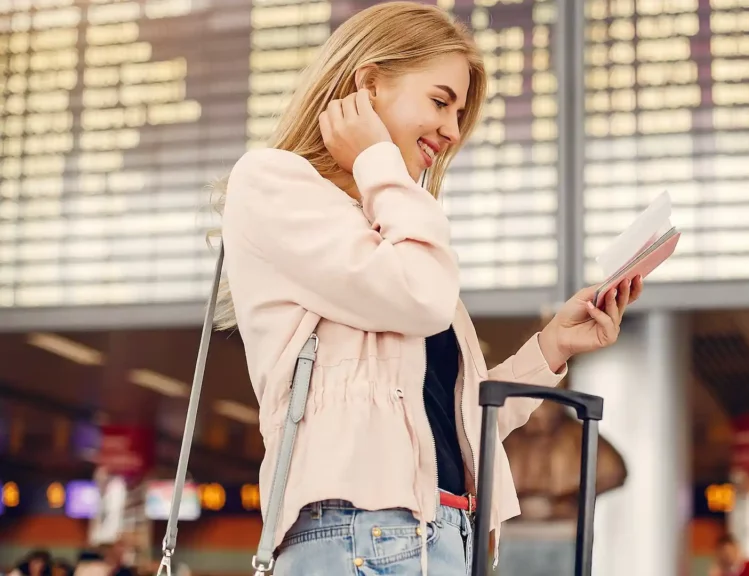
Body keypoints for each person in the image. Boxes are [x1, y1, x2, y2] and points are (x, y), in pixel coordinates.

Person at [212, 2, 642, 574]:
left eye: (459, 111)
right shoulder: (273, 182)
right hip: (359, 533)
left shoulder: (387, 224)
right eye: (440, 101)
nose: (452, 129)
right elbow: (420, 296)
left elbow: (460, 419)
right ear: (367, 86)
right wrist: (376, 160)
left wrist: (553, 348)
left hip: (439, 533)